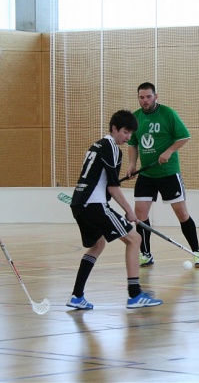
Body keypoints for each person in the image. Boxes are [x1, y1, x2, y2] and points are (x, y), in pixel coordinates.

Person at [66, 110, 163, 310]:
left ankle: (76, 296)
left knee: (98, 245)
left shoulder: (97, 145)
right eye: (125, 132)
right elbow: (112, 187)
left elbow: (100, 179)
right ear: (114, 128)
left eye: (130, 134)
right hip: (94, 205)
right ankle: (135, 295)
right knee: (135, 239)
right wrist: (129, 210)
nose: (127, 137)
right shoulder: (111, 147)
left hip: (80, 203)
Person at [127, 82, 199, 268]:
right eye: (141, 97)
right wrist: (131, 164)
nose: (145, 100)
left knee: (181, 213)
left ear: (156, 96)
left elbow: (184, 136)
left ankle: (197, 252)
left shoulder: (168, 113)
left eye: (148, 96)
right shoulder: (135, 118)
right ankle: (145, 254)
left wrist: (169, 151)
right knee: (140, 214)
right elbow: (132, 143)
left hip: (168, 173)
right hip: (146, 175)